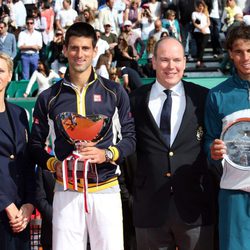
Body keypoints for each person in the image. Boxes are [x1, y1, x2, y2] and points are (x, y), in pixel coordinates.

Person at [29, 22, 136, 250]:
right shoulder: (49, 97)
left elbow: (130, 138)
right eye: (75, 48)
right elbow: (35, 144)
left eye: (86, 48)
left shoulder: (114, 92)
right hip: (66, 190)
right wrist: (53, 164)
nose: (80, 54)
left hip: (106, 189)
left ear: (94, 50)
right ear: (65, 49)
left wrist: (107, 154)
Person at [130, 37, 215, 250]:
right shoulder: (135, 100)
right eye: (165, 60)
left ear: (185, 62)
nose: (171, 66)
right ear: (154, 62)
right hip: (148, 209)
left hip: (195, 208)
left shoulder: (203, 98)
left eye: (176, 60)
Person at [204, 23, 250, 250]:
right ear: (231, 54)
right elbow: (208, 140)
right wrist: (213, 151)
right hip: (234, 194)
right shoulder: (217, 95)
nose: (245, 57)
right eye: (239, 51)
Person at [0, 52, 35, 249]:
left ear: (10, 76)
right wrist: (5, 203)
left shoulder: (19, 113)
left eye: (1, 70)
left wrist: (29, 203)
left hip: (20, 215)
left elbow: (26, 160)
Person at [35, 165, 56, 250]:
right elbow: (39, 197)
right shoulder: (44, 164)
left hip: (83, 235)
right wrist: (57, 218)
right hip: (50, 235)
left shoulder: (85, 162)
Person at [192, 0, 211, 68]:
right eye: (199, 6)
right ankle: (200, 61)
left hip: (206, 32)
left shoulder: (206, 13)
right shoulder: (194, 13)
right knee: (199, 47)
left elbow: (208, 23)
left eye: (202, 6)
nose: (201, 7)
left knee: (202, 46)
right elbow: (195, 23)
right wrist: (200, 29)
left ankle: (199, 61)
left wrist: (204, 28)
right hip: (197, 32)